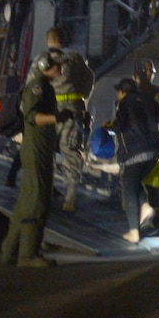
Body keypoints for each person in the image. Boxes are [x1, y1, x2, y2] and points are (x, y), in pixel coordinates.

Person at [1, 50, 64, 268]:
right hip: (37, 149)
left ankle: (10, 251)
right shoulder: (38, 87)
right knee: (37, 200)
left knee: (25, 201)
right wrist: (56, 118)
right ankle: (28, 255)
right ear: (46, 64)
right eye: (57, 65)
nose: (60, 68)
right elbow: (31, 115)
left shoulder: (45, 86)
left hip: (40, 148)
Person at [105, 76, 159, 243]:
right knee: (135, 183)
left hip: (133, 153)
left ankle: (134, 232)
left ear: (122, 92)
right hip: (154, 152)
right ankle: (146, 207)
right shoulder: (149, 100)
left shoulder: (124, 104)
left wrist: (108, 126)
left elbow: (120, 126)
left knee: (129, 191)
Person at [53, 35, 95, 212]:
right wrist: (82, 96)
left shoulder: (48, 59)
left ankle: (51, 190)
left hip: (53, 110)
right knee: (71, 150)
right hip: (73, 109)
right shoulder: (77, 59)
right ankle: (70, 195)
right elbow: (89, 77)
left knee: (48, 149)